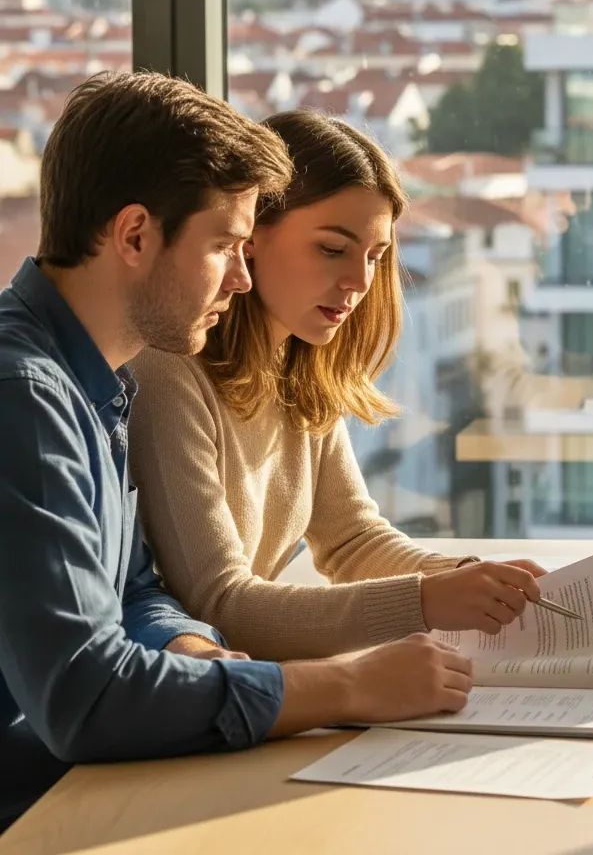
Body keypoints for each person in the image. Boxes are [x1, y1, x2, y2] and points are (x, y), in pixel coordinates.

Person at [0, 74, 489, 832]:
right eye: (227, 244)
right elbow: (84, 699)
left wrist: (197, 650)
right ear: (134, 236)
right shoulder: (26, 396)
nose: (241, 272)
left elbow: (135, 589)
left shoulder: (94, 384)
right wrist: (344, 687)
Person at [129, 109, 544, 661]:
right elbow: (220, 606)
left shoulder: (299, 366)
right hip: (189, 695)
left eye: (376, 256)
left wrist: (471, 580)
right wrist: (426, 600)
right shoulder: (169, 370)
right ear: (250, 233)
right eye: (332, 248)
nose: (360, 282)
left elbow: (352, 540)